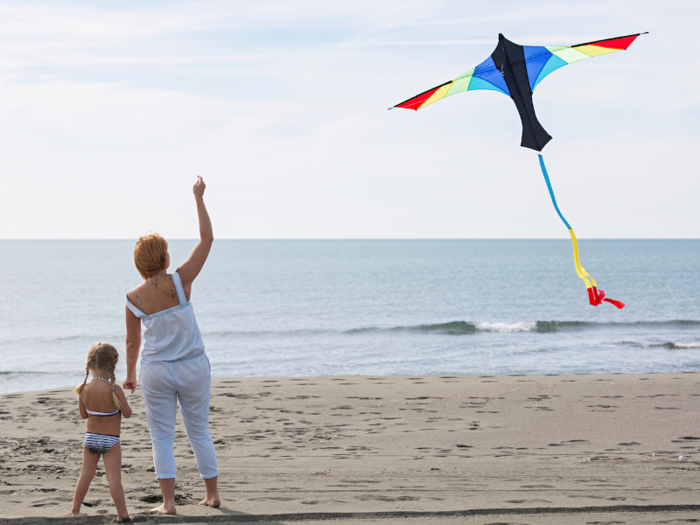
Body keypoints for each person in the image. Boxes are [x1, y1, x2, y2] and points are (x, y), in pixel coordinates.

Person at [123, 176, 219, 515]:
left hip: (156, 371)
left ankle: (168, 503)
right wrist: (198, 198)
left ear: (140, 263)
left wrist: (130, 374)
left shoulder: (134, 298)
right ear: (165, 257)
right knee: (199, 432)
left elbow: (132, 343)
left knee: (162, 437)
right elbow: (207, 239)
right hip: (193, 366)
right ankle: (212, 495)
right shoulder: (181, 280)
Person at [72, 342, 133, 521]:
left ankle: (75, 510)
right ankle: (123, 515)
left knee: (85, 475)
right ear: (112, 366)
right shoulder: (114, 389)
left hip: (90, 438)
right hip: (110, 441)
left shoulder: (83, 389)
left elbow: (84, 415)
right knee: (113, 479)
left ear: (89, 366)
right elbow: (128, 414)